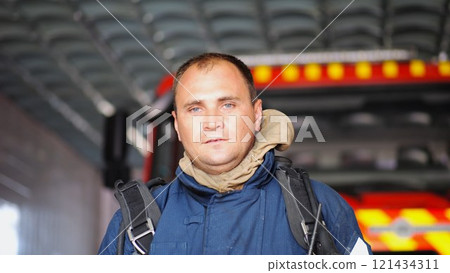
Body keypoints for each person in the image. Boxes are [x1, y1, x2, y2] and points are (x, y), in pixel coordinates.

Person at [98, 53, 372, 255]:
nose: (212, 122)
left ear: (256, 115)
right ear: (178, 125)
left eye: (227, 105)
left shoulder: (321, 208)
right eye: (195, 109)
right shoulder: (131, 223)